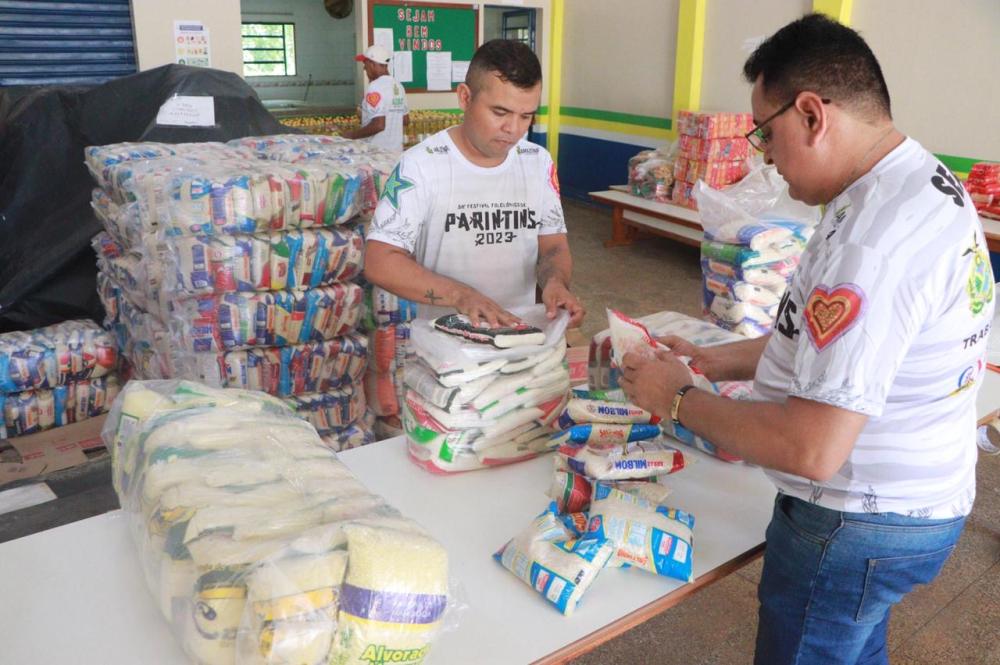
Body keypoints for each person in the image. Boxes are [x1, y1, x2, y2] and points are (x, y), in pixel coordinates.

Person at [619, 14, 993, 665]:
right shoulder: (910, 181)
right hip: (913, 503)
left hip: (855, 521)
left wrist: (677, 398)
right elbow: (836, 345)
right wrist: (716, 357)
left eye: (765, 133)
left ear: (813, 115)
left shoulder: (872, 243)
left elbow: (812, 447)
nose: (762, 155)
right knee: (851, 643)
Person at [364, 39, 584, 328]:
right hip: (447, 346)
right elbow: (380, 261)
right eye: (500, 112)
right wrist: (461, 296)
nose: (513, 129)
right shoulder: (421, 164)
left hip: (522, 336)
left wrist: (556, 284)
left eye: (526, 116)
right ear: (465, 98)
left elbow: (553, 245)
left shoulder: (537, 162)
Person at [343, 44, 409, 152]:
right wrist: (367, 115)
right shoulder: (398, 86)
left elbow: (379, 125)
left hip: (377, 153)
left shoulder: (375, 87)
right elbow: (405, 120)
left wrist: (352, 135)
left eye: (365, 64)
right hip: (396, 152)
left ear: (372, 63)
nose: (364, 68)